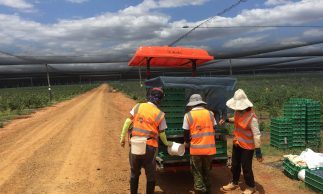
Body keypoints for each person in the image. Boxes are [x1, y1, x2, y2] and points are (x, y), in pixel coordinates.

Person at [120, 87, 173, 194]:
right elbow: (162, 133)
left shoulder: (138, 106)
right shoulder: (160, 114)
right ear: (160, 100)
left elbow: (127, 122)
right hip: (150, 147)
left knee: (134, 172)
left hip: (136, 145)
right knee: (150, 174)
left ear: (149, 96)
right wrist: (167, 143)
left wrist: (122, 138)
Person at [221, 89, 263, 194]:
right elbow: (235, 120)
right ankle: (234, 183)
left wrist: (258, 151)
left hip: (247, 147)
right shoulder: (238, 113)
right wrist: (226, 120)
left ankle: (251, 186)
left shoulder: (252, 117)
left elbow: (256, 134)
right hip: (237, 143)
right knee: (235, 165)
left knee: (246, 167)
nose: (237, 109)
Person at [183, 94, 217, 194]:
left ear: (191, 105)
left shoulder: (188, 115)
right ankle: (208, 190)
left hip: (196, 150)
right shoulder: (210, 113)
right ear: (201, 103)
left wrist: (187, 142)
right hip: (210, 149)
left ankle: (199, 191)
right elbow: (214, 128)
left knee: (197, 172)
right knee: (207, 171)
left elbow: (185, 132)